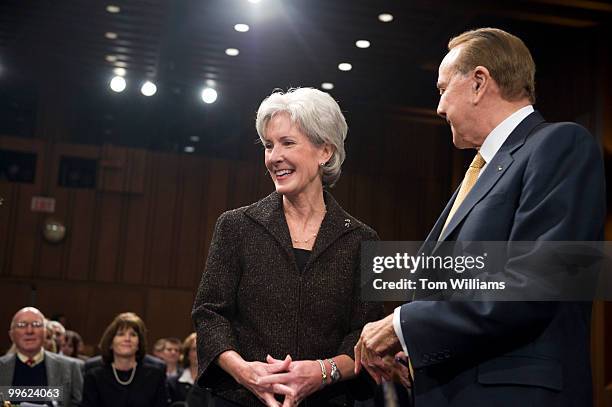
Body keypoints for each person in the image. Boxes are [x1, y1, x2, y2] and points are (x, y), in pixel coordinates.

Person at [354, 27, 606, 406]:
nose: (438, 107)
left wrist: (404, 325)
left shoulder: (560, 145)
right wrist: (414, 350)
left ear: (478, 82)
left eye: (442, 89)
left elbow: (535, 284)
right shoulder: (481, 170)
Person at [192, 87, 383, 407]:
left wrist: (323, 372)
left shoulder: (363, 241)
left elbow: (366, 337)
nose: (274, 157)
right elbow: (209, 314)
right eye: (268, 145)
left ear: (325, 151)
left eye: (288, 143)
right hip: (241, 400)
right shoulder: (235, 226)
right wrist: (246, 373)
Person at [81, 312, 169, 407]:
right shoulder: (94, 375)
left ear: (139, 344)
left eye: (133, 335)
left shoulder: (155, 374)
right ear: (110, 343)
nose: (127, 339)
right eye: (121, 334)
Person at [0, 307, 83, 406]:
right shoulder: (2, 367)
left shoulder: (70, 368)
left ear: (45, 332)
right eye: (22, 325)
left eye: (36, 325)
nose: (29, 331)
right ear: (11, 335)